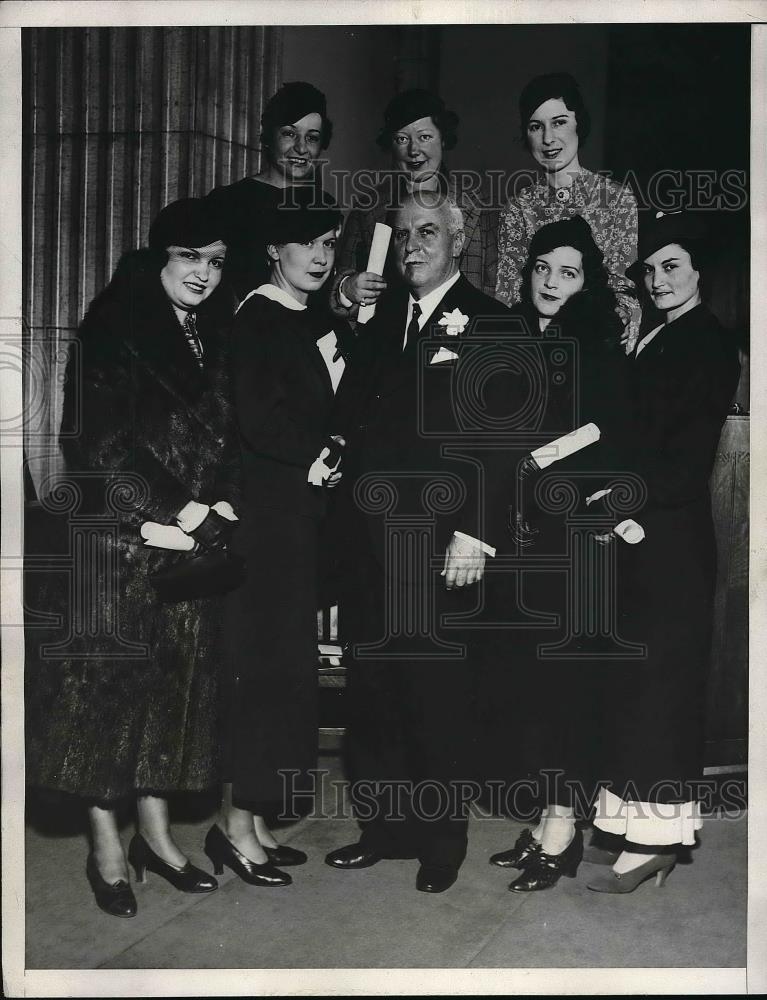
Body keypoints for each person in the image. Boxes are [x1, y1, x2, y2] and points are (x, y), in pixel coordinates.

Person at [25, 198, 238, 917]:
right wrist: (180, 512)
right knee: (101, 703)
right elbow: (97, 444)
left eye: (215, 262)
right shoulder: (113, 326)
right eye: (189, 258)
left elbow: (223, 440)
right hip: (116, 542)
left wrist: (223, 504)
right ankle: (106, 847)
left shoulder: (207, 332)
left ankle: (154, 834)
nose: (203, 274)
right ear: (159, 259)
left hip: (185, 550)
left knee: (169, 701)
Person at [326, 191, 519, 894]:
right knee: (375, 691)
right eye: (402, 234)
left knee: (437, 696)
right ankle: (382, 829)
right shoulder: (381, 325)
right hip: (372, 545)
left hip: (442, 545)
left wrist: (475, 533)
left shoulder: (492, 322)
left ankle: (441, 842)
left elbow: (501, 442)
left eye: (428, 232)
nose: (412, 245)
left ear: (458, 240)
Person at [583, 212, 741, 892]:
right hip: (643, 529)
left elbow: (678, 461)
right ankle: (621, 822)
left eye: (670, 266)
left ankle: (655, 842)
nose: (657, 279)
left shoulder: (704, 341)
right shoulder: (659, 336)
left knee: (661, 692)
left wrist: (617, 499)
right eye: (648, 270)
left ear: (698, 273)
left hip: (668, 533)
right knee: (632, 686)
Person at [484, 215, 636, 892]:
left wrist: (539, 457)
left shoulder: (599, 346)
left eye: (566, 272)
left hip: (574, 537)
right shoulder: (509, 335)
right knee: (527, 687)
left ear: (587, 282)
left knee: (567, 687)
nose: (550, 282)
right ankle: (544, 817)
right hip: (519, 540)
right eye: (542, 268)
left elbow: (608, 433)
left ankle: (562, 827)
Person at [205, 198, 351, 886]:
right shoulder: (258, 316)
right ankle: (233, 826)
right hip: (264, 521)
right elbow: (260, 422)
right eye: (305, 244)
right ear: (273, 252)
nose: (319, 256)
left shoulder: (306, 315)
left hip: (294, 517)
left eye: (328, 244)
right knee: (261, 674)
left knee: (282, 672)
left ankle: (254, 819)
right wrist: (316, 456)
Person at [495, 72, 640, 350]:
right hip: (533, 348)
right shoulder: (518, 207)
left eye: (559, 123)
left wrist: (622, 315)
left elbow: (625, 287)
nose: (548, 138)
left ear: (579, 125)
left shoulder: (617, 198)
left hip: (596, 345)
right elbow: (509, 293)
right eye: (536, 127)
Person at [330, 88, 499, 317]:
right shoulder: (368, 208)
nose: (413, 150)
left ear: (444, 140)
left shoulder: (478, 207)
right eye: (402, 139)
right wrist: (347, 287)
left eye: (425, 137)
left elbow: (494, 286)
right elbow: (343, 277)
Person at [206, 81, 333, 301]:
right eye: (289, 134)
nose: (302, 148)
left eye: (312, 138)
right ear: (268, 137)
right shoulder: (228, 201)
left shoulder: (325, 204)